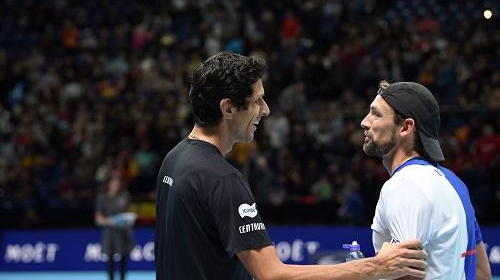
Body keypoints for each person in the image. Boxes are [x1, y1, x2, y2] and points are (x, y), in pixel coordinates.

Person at [155, 51, 427, 280]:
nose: (266, 110)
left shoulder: (174, 159)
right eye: (256, 101)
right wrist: (378, 266)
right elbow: (271, 274)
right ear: (227, 109)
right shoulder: (222, 179)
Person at [361, 80, 492, 280]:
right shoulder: (454, 183)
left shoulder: (404, 186)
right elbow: (481, 273)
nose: (365, 121)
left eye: (376, 114)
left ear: (405, 127)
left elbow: (405, 276)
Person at [95, 173, 135, 280]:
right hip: (109, 234)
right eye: (113, 182)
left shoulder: (125, 195)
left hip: (123, 232)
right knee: (110, 262)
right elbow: (98, 219)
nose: (116, 184)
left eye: (118, 182)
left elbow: (128, 213)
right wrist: (112, 221)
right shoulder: (102, 198)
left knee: (123, 260)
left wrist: (128, 219)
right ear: (108, 184)